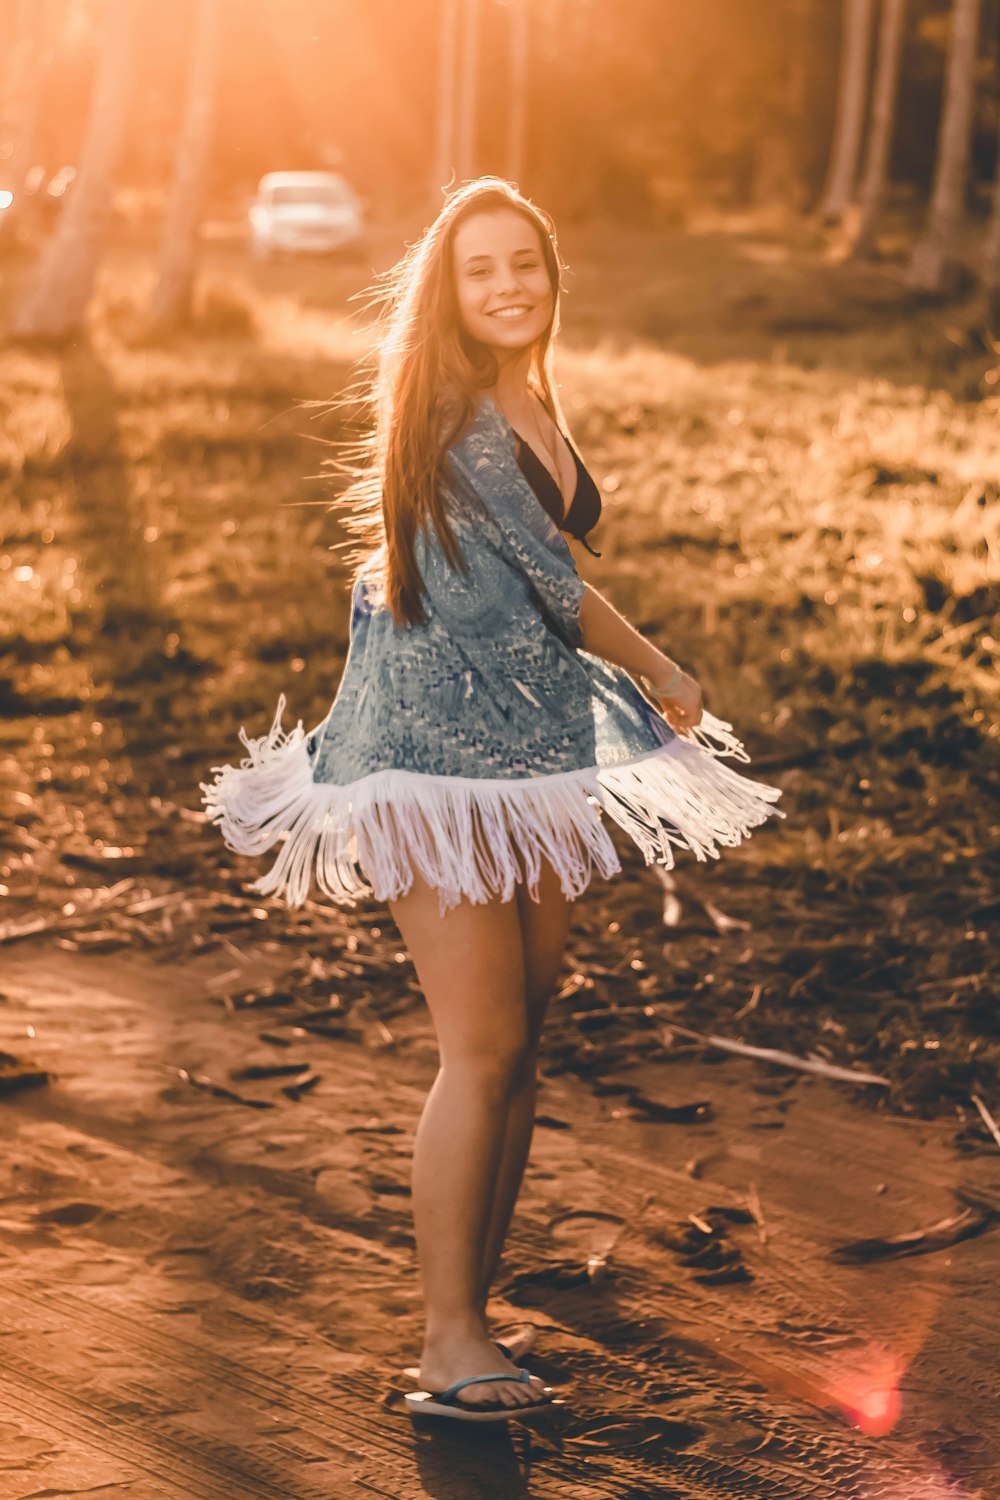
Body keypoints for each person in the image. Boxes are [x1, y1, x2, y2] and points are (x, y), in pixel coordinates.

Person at [201, 177, 785, 1424]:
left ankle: (474, 1319)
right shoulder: (463, 417)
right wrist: (665, 671)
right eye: (482, 270)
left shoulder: (529, 393)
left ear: (549, 276)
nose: (510, 284)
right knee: (483, 1048)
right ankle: (446, 1339)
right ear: (449, 293)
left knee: (521, 1041)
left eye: (526, 262)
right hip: (437, 761)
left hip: (524, 749)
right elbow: (561, 592)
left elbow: (547, 575)